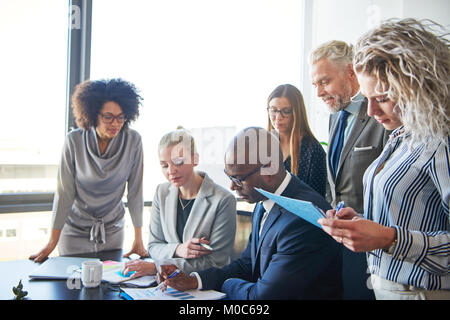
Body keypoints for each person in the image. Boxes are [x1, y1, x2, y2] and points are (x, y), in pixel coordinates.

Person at [318, 18, 450, 300]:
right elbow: (406, 217)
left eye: (382, 97)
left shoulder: (442, 141)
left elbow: (396, 234)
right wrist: (363, 222)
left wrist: (389, 238)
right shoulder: (401, 135)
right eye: (366, 98)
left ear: (418, 85)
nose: (372, 110)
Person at [155, 127, 343, 300]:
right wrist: (195, 280)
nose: (231, 186)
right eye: (229, 177)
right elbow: (247, 264)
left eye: (237, 179)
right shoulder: (264, 200)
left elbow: (262, 297)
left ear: (269, 168)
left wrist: (225, 284)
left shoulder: (303, 218)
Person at [30, 78, 148, 262]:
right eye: (108, 117)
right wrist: (52, 242)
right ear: (92, 114)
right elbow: (64, 194)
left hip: (112, 230)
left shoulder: (134, 141)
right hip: (75, 230)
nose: (115, 123)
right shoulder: (74, 141)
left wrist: (138, 239)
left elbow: (135, 192)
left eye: (121, 117)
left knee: (109, 287)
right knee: (72, 287)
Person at [122, 128, 236, 277]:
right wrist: (178, 249)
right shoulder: (161, 192)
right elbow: (153, 246)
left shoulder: (223, 200)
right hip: (166, 286)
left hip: (203, 287)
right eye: (164, 165)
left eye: (178, 162)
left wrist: (158, 267)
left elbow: (216, 262)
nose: (171, 171)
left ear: (195, 159)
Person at [309, 40, 389, 214]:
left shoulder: (383, 114)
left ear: (351, 72)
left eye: (324, 82)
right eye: (315, 85)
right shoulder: (335, 115)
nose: (319, 93)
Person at [267, 84, 327, 197]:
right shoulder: (265, 145)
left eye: (286, 111)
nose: (278, 117)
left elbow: (317, 200)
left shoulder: (313, 151)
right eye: (273, 110)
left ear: (297, 113)